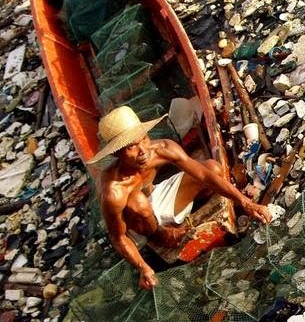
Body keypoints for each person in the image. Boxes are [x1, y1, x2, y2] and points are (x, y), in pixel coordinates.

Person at [88, 106, 273, 290]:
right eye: (131, 147)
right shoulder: (114, 190)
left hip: (156, 197)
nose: (142, 150)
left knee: (212, 168)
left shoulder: (161, 149)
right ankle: (163, 236)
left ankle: (181, 217)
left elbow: (204, 175)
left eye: (143, 139)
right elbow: (118, 237)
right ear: (116, 153)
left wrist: (246, 203)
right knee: (139, 203)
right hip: (138, 221)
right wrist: (143, 267)